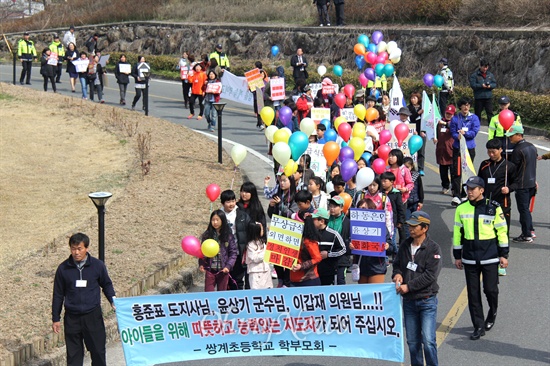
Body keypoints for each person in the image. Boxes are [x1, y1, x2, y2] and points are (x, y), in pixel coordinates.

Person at [453, 176, 509, 340]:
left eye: (473, 189)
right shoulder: (461, 209)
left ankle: (492, 313)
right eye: (468, 189)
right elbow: (457, 233)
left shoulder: (493, 208)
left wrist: (503, 255)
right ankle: (478, 325)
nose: (469, 192)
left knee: (490, 289)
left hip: (490, 256)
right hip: (470, 257)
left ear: (481, 190)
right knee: (473, 293)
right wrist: (457, 256)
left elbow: (502, 231)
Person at [52, 232, 116, 366]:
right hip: (72, 318)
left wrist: (112, 300)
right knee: (73, 356)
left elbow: (106, 284)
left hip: (92, 316)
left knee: (98, 352)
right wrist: (55, 318)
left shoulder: (97, 266)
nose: (76, 252)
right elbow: (58, 294)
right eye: (73, 249)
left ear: (86, 248)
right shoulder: (63, 269)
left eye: (79, 248)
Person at [392, 211, 442, 366]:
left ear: (424, 228)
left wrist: (409, 286)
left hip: (427, 301)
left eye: (414, 226)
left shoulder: (433, 249)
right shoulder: (405, 245)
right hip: (409, 303)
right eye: (409, 226)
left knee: (428, 342)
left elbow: (430, 276)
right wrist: (397, 275)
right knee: (413, 343)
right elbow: (397, 265)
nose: (411, 229)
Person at [478, 139, 517, 239]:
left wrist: (509, 189)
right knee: (487, 230)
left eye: (493, 152)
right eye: (489, 151)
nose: (491, 154)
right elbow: (479, 181)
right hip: (486, 203)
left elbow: (517, 183)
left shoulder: (509, 166)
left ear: (500, 150)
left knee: (503, 231)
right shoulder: (484, 164)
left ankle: (504, 253)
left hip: (502, 204)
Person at [506, 125, 538, 243]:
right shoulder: (532, 147)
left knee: (523, 209)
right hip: (531, 183)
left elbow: (513, 168)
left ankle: (526, 234)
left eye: (511, 136)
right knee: (526, 209)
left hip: (522, 185)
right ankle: (530, 230)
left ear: (519, 135)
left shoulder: (517, 150)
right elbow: (533, 166)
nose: (510, 139)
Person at [267, 173, 297, 287]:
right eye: (281, 181)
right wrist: (271, 206)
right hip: (278, 229)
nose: (282, 183)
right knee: (275, 258)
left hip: (290, 230)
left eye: (285, 180)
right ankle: (280, 279)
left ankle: (287, 281)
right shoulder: (277, 195)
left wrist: (280, 205)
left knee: (288, 259)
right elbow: (271, 215)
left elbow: (292, 214)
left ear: (291, 182)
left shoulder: (295, 196)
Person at [450, 97, 480, 206]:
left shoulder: (474, 118)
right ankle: (456, 195)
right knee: (457, 172)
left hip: (469, 148)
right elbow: (452, 132)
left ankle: (464, 194)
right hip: (458, 148)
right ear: (460, 106)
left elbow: (474, 132)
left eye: (468, 105)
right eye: (464, 105)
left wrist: (465, 134)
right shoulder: (455, 118)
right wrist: (457, 135)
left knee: (467, 171)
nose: (466, 107)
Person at [199, 210, 238, 292]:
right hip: (210, 271)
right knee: (208, 294)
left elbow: (233, 253)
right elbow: (202, 251)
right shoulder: (207, 235)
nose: (215, 222)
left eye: (217, 220)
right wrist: (202, 264)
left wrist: (228, 266)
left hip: (223, 271)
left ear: (222, 221)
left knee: (222, 294)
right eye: (213, 220)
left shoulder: (228, 236)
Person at [355, 198, 391, 284]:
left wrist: (388, 246)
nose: (361, 211)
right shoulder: (354, 227)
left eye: (364, 208)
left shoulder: (380, 227)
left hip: (377, 267)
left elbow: (393, 248)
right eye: (359, 208)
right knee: (363, 295)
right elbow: (347, 247)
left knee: (375, 295)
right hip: (361, 267)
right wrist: (350, 246)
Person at [220, 190, 251, 290]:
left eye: (233, 201)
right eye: (228, 202)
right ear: (222, 203)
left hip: (238, 252)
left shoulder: (242, 215)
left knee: (237, 279)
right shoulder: (219, 216)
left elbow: (250, 229)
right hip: (224, 253)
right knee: (225, 280)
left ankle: (238, 300)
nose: (231, 204)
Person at [312, 207, 346, 285]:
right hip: (314, 272)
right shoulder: (312, 234)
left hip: (329, 272)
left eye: (314, 219)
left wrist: (328, 254)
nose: (312, 221)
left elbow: (343, 249)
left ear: (322, 221)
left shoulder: (333, 234)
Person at [290, 217, 323, 287]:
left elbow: (317, 258)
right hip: (293, 279)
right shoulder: (290, 240)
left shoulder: (308, 242)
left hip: (308, 280)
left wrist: (301, 266)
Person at [327, 196, 351, 285]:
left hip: (342, 257)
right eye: (331, 206)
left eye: (335, 206)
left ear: (341, 208)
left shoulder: (347, 222)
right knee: (328, 281)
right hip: (327, 256)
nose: (332, 208)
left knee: (340, 280)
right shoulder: (325, 219)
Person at [434, 104, 455, 195]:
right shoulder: (439, 122)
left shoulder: (455, 123)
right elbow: (434, 132)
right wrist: (434, 138)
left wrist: (446, 124)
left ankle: (454, 188)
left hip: (451, 150)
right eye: (447, 113)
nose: (448, 115)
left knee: (453, 171)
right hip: (441, 150)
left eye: (450, 114)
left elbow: (454, 128)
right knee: (443, 171)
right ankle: (445, 186)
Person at [469, 58, 497, 125]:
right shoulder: (475, 75)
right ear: (480, 66)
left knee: (490, 113)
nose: (485, 69)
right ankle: (476, 126)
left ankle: (491, 126)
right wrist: (481, 85)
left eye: (486, 67)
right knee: (478, 113)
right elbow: (473, 85)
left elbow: (494, 83)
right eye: (484, 67)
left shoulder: (490, 75)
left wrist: (490, 86)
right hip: (479, 97)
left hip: (488, 97)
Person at [245, 222, 272, 289]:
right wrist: (266, 252)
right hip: (256, 272)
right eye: (261, 229)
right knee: (257, 292)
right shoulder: (250, 245)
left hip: (266, 270)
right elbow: (255, 258)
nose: (263, 231)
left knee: (268, 290)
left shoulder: (262, 242)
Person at [403, 157, 424, 239]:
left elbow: (420, 189)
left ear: (412, 166)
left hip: (415, 201)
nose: (406, 169)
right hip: (406, 203)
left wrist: (421, 200)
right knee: (407, 221)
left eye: (408, 167)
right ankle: (408, 238)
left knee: (415, 221)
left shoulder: (416, 175)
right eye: (404, 167)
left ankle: (415, 237)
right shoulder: (401, 176)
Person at [407, 93, 426, 175]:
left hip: (421, 132)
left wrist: (424, 131)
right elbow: (410, 118)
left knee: (421, 151)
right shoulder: (409, 108)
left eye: (414, 98)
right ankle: (409, 167)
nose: (413, 99)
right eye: (412, 98)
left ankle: (421, 168)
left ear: (418, 99)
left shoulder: (424, 107)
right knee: (410, 151)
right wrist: (418, 113)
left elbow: (427, 121)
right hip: (412, 132)